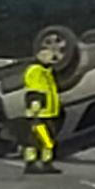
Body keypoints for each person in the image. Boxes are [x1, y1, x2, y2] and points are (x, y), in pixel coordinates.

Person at [22, 46, 62, 175]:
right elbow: (34, 90)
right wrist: (35, 109)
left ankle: (46, 163)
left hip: (48, 113)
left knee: (48, 140)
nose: (53, 62)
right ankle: (31, 163)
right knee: (34, 140)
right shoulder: (35, 70)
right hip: (38, 113)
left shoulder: (47, 71)